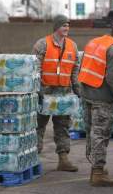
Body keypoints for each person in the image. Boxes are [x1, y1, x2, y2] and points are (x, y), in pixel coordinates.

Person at [77, 19, 113, 186]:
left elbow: (84, 67)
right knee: (101, 136)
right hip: (102, 99)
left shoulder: (94, 42)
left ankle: (96, 168)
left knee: (92, 134)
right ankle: (98, 173)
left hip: (87, 95)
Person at [32, 14, 80, 172]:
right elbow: (35, 68)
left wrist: (77, 88)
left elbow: (74, 70)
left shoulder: (72, 46)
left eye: (68, 25)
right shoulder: (42, 44)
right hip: (45, 91)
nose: (66, 28)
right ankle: (33, 158)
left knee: (63, 126)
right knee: (38, 126)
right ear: (56, 27)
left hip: (64, 92)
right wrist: (37, 89)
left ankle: (63, 159)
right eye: (63, 25)